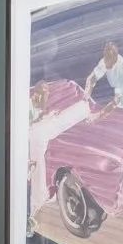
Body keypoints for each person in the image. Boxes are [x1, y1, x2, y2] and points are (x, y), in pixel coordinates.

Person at [27, 81, 91, 228]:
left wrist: (47, 116)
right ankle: (36, 205)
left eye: (46, 94)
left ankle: (82, 108)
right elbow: (28, 125)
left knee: (48, 128)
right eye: (43, 94)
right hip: (30, 136)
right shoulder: (28, 104)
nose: (46, 97)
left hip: (34, 133)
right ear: (36, 94)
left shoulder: (37, 105)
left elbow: (36, 119)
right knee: (39, 141)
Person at [84, 41, 123, 118]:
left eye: (108, 61)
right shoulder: (105, 60)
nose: (105, 64)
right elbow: (92, 78)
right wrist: (86, 94)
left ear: (115, 58)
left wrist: (98, 115)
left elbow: (116, 101)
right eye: (105, 58)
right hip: (119, 86)